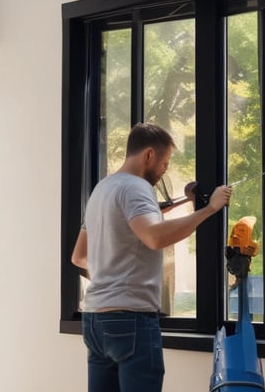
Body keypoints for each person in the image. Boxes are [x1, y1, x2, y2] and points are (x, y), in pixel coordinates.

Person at [71, 123, 232, 392]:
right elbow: (154, 237)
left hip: (95, 321)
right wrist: (210, 209)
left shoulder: (101, 190)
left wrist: (186, 202)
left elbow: (79, 256)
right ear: (149, 155)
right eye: (165, 162)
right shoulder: (136, 187)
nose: (165, 170)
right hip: (130, 319)